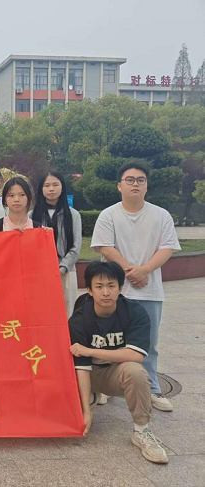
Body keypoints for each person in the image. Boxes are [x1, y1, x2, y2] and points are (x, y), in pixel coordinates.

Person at [91, 162, 180, 413]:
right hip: (114, 291)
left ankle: (152, 388)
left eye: (140, 180)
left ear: (147, 185)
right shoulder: (109, 215)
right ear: (119, 185)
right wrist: (131, 271)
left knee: (148, 343)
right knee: (109, 340)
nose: (135, 184)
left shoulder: (161, 215)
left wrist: (145, 270)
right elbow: (105, 247)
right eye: (129, 180)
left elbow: (167, 248)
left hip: (150, 291)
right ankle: (106, 386)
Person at [69, 261, 168, 464]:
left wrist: (90, 350)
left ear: (120, 288)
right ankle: (90, 398)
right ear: (89, 290)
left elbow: (136, 356)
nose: (106, 292)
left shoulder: (135, 312)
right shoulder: (79, 319)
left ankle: (141, 431)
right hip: (87, 374)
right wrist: (85, 413)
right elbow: (82, 366)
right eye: (99, 286)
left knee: (136, 372)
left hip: (115, 373)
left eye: (111, 286)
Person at [31, 171, 82, 317]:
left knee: (67, 313)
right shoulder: (32, 215)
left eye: (55, 185)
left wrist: (62, 268)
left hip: (67, 272)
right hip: (40, 274)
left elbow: (76, 246)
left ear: (62, 187)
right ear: (41, 189)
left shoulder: (73, 215)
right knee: (42, 312)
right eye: (47, 185)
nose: (51, 189)